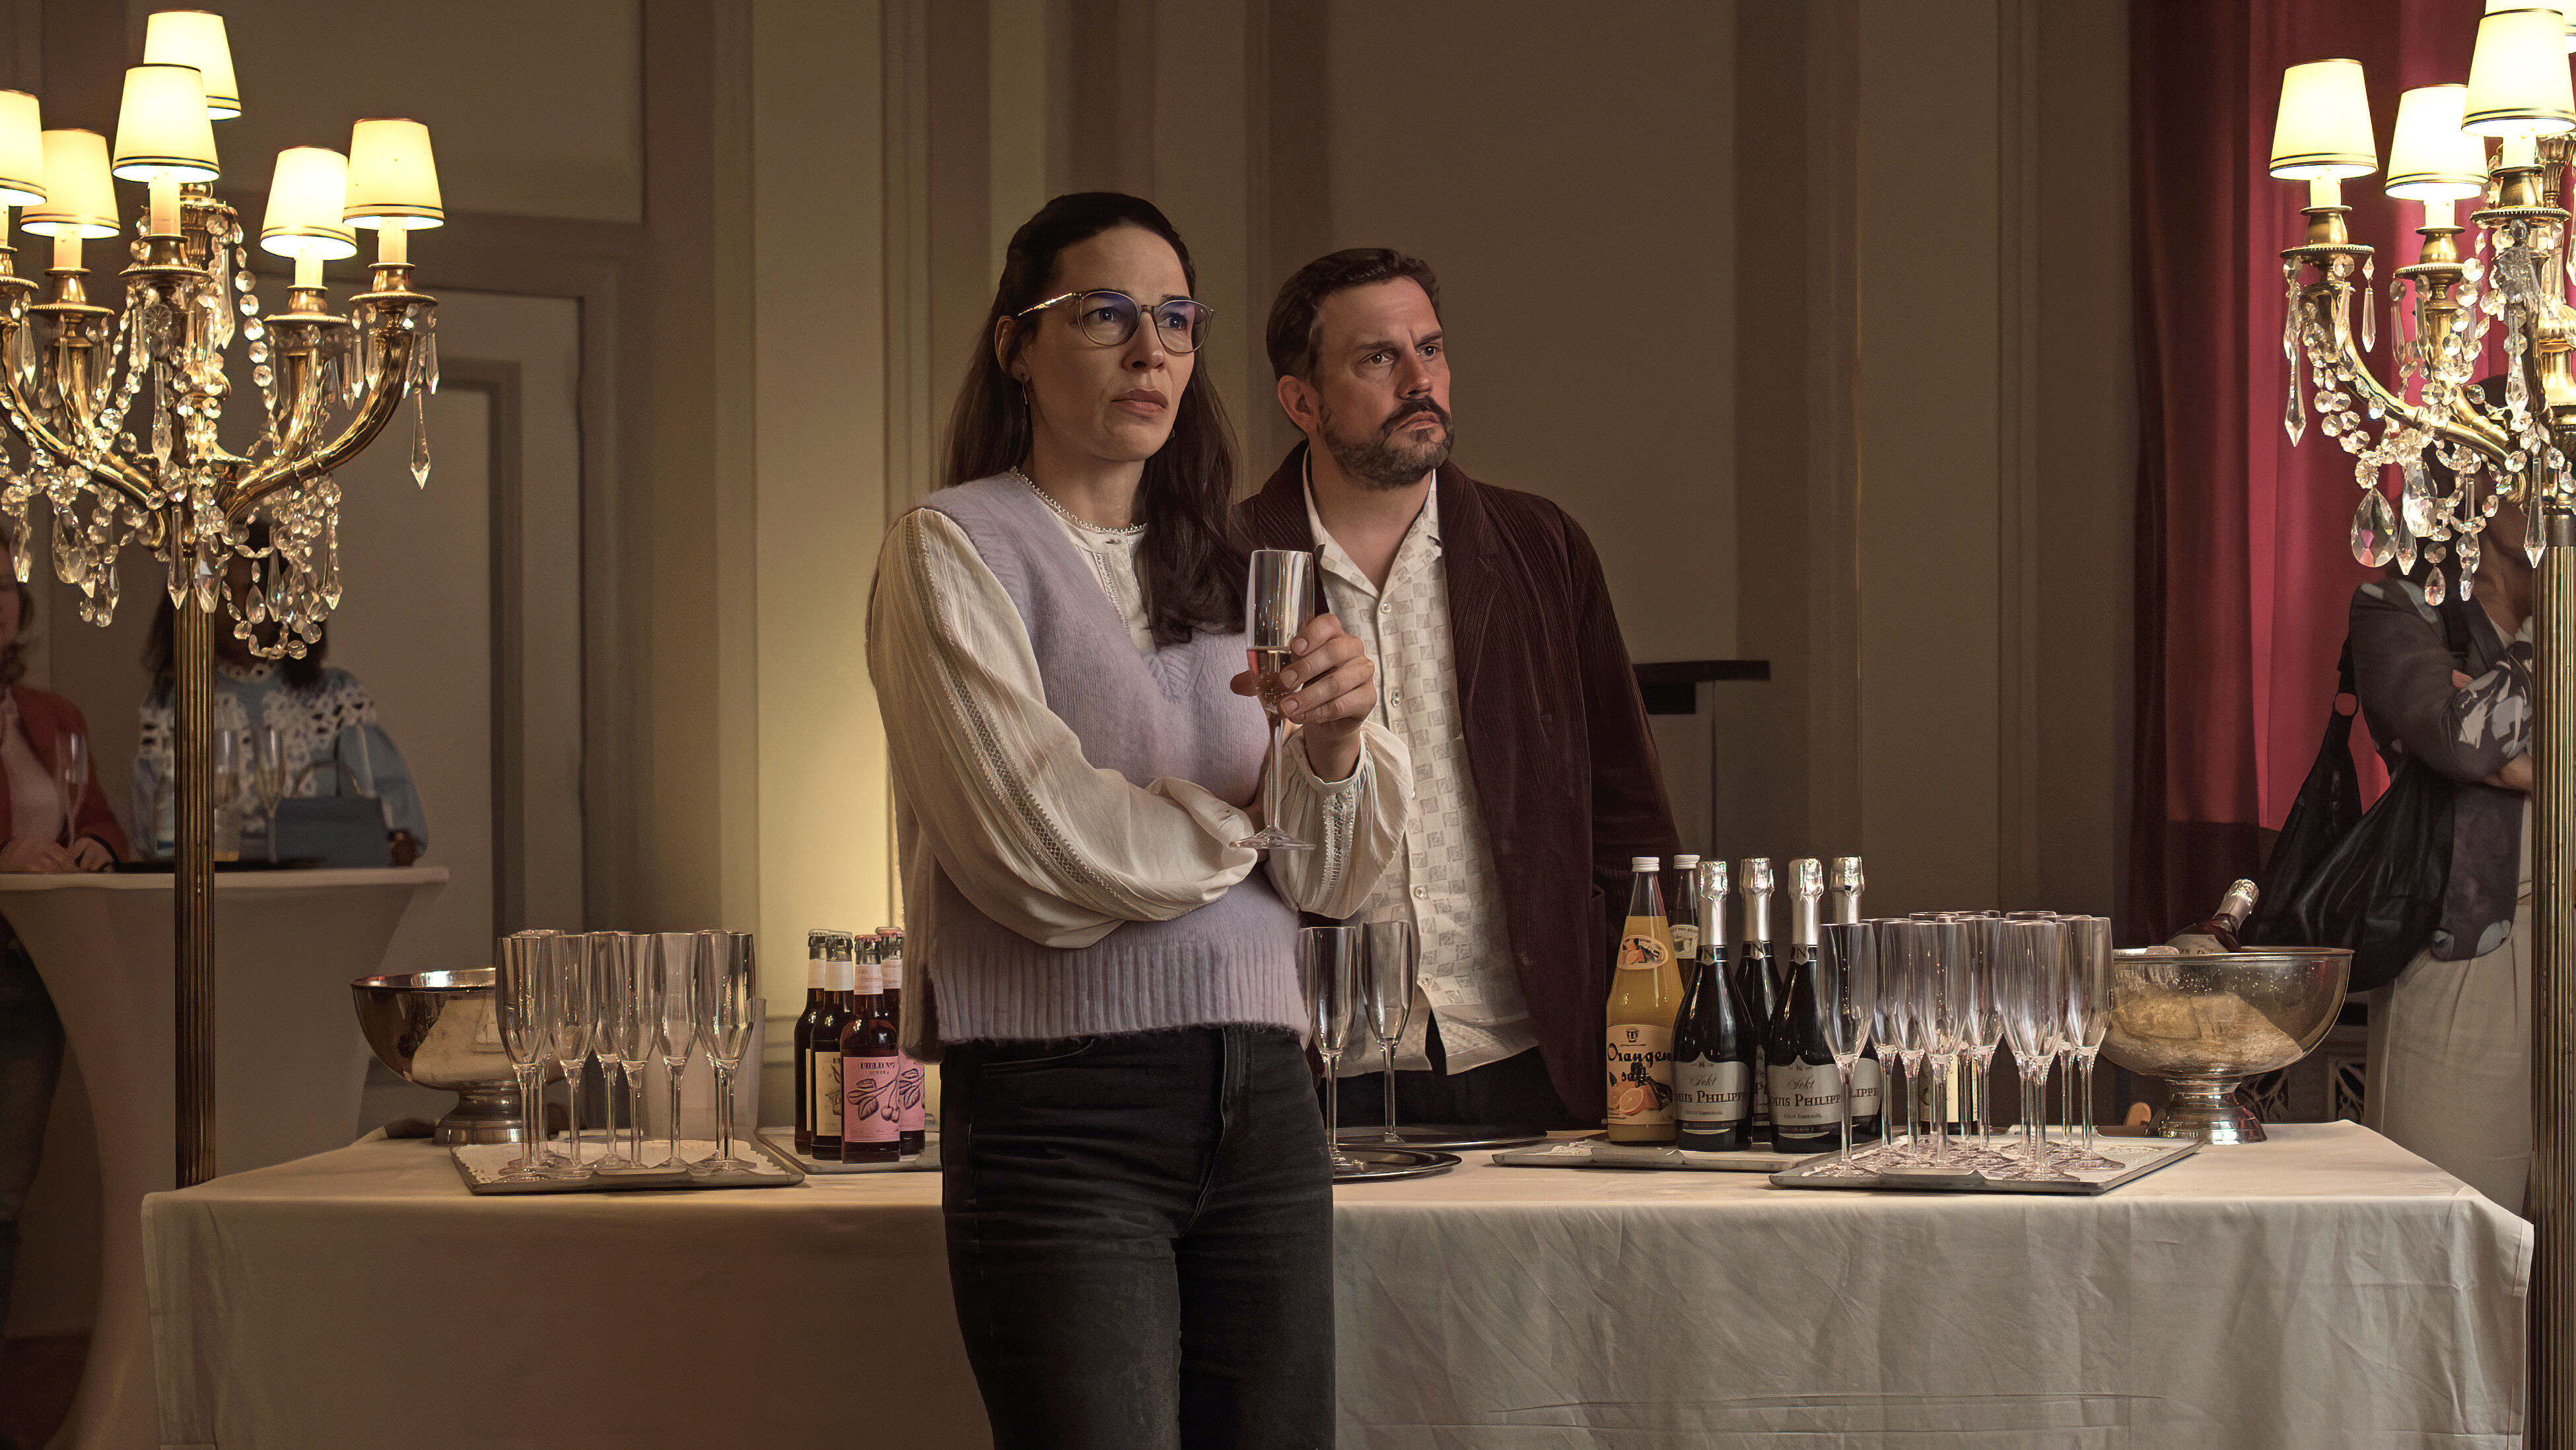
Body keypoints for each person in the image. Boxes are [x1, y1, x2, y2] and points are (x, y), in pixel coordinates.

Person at [868, 192, 1407, 1449]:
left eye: (1175, 319)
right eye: (1105, 314)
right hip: (1060, 1110)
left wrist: (1334, 745)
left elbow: (1336, 883)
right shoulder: (950, 548)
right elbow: (1034, 845)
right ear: (1016, 343)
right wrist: (1250, 828)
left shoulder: (1245, 566)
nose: (1151, 350)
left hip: (1269, 1095)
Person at [1241, 248, 1679, 1131]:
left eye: (1431, 350)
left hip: (1536, 1053)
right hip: (1311, 1069)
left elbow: (1630, 820)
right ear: (1301, 401)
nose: (1420, 380)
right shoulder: (1224, 563)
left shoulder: (1542, 547)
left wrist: (1651, 1051)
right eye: (1378, 358)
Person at [2352, 484, 2534, 1213]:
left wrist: (2495, 720)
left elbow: (2481, 740)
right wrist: (2549, 634)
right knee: (2449, 1229)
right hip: (2464, 948)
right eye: (2539, 466)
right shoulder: (2396, 606)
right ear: (2478, 486)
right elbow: (2464, 744)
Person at [0, 545, 129, 1367]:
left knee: (6, 1198)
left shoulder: (53, 715)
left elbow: (100, 817)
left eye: (4, 585)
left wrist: (97, 849)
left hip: (34, 978)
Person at [133, 597, 426, 866]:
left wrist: (389, 840)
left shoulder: (335, 694)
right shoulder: (174, 698)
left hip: (325, 893)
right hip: (216, 894)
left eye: (253, 592)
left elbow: (392, 827)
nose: (240, 610)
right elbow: (157, 837)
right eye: (223, 593)